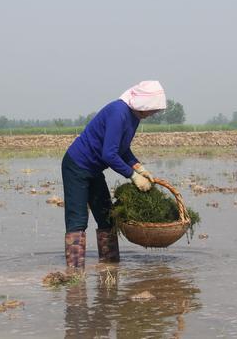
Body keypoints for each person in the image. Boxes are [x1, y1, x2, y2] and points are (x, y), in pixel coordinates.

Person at [61, 80, 167, 271]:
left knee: (107, 217)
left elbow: (122, 149)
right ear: (144, 105)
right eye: (153, 109)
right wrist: (133, 176)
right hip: (76, 166)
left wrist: (139, 167)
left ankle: (110, 267)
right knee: (77, 220)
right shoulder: (119, 112)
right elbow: (109, 154)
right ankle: (74, 274)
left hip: (94, 170)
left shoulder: (134, 117)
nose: (154, 114)